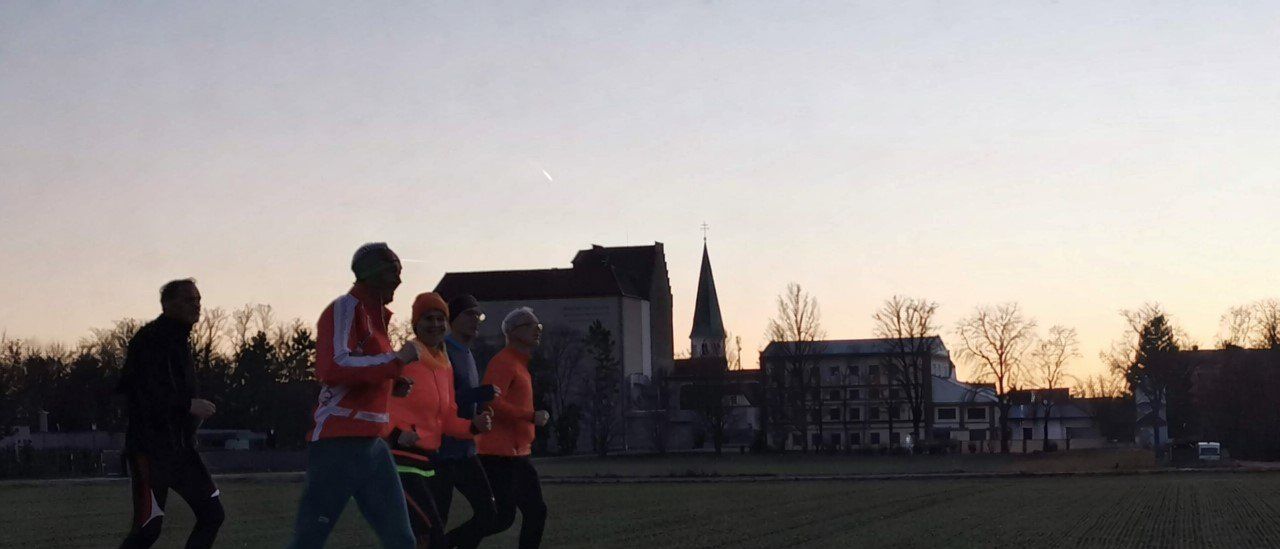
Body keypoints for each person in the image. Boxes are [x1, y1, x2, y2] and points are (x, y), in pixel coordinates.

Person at [286, 243, 420, 549]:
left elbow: (362, 369)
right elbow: (333, 366)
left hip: (373, 444)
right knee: (309, 539)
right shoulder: (346, 308)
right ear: (373, 274)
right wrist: (396, 361)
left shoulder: (376, 318)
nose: (399, 280)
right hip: (339, 444)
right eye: (393, 272)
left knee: (402, 540)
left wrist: (393, 381)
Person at [117, 278, 225, 549]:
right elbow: (140, 391)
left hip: (181, 450)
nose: (197, 306)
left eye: (199, 300)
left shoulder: (180, 340)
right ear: (167, 304)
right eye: (189, 300)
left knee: (212, 514)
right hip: (150, 451)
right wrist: (187, 405)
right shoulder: (150, 339)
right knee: (147, 529)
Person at [386, 292, 495, 548]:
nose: (435, 324)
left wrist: (473, 426)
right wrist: (396, 433)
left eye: (439, 319)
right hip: (403, 459)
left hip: (431, 460)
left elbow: (446, 417)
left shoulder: (444, 366)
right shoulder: (406, 359)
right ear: (416, 324)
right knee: (429, 533)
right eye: (428, 319)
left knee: (429, 535)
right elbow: (375, 401)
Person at [470, 307, 552, 549]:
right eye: (530, 326)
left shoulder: (519, 364)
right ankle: (445, 543)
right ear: (513, 332)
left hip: (517, 453)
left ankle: (447, 543)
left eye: (539, 327)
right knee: (503, 517)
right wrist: (530, 416)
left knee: (528, 513)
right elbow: (490, 399)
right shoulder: (504, 362)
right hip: (500, 455)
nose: (537, 331)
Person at [433, 295, 500, 549]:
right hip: (442, 453)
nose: (476, 320)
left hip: (466, 450)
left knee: (489, 514)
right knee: (437, 521)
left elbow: (465, 399)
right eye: (469, 314)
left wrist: (482, 411)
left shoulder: (468, 353)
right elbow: (441, 398)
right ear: (452, 319)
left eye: (479, 315)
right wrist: (479, 394)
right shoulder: (443, 351)